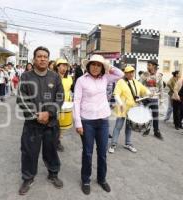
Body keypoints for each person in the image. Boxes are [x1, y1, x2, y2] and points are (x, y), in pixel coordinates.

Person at [16, 46, 64, 195]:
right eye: (39, 56)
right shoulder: (26, 77)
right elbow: (21, 98)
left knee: (51, 150)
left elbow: (60, 97)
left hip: (51, 123)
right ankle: (28, 178)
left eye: (45, 56)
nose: (42, 59)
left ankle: (53, 174)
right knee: (29, 151)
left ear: (48, 59)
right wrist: (36, 114)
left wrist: (49, 113)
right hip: (32, 123)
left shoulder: (55, 77)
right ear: (34, 59)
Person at [74, 54, 124, 195]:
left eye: (98, 65)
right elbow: (76, 102)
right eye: (93, 64)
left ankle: (101, 179)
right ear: (88, 66)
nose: (95, 67)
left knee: (102, 153)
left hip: (103, 120)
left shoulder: (105, 78)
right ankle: (86, 180)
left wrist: (108, 66)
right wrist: (78, 123)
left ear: (102, 67)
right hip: (87, 121)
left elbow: (120, 74)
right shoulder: (81, 80)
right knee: (88, 153)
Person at [109, 65, 151, 154]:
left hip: (132, 109)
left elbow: (144, 90)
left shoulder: (136, 82)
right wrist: (120, 103)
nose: (131, 74)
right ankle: (113, 144)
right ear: (125, 73)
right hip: (122, 109)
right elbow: (116, 94)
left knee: (129, 127)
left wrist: (149, 93)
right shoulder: (120, 82)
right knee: (118, 127)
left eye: (132, 72)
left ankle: (128, 143)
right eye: (129, 72)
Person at [140, 60, 164, 140]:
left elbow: (161, 88)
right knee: (146, 115)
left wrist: (161, 99)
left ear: (154, 66)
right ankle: (147, 129)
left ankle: (156, 131)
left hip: (154, 99)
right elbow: (139, 85)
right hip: (145, 98)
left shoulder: (159, 76)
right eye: (147, 65)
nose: (147, 66)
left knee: (155, 116)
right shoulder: (144, 74)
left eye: (149, 65)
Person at [54, 58, 73, 152]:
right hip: (56, 104)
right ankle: (55, 142)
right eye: (62, 65)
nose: (64, 68)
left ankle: (58, 141)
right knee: (55, 124)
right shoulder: (53, 77)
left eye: (66, 66)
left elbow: (72, 89)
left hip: (66, 104)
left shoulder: (69, 78)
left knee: (62, 126)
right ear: (57, 67)